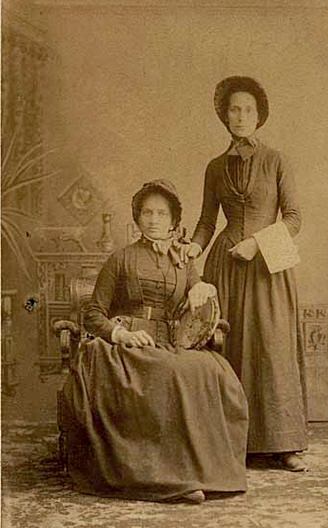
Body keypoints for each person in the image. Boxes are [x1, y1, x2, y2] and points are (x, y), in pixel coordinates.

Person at [61, 179, 249, 503]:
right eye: (147, 212)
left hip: (169, 343)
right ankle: (166, 480)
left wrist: (202, 289)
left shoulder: (184, 261)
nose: (153, 219)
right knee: (168, 373)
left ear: (174, 220)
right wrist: (122, 334)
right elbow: (94, 314)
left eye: (162, 213)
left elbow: (199, 293)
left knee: (214, 373)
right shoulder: (121, 259)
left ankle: (205, 474)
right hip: (127, 344)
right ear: (138, 218)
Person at [183, 76, 308, 471]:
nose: (241, 116)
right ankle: (232, 441)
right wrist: (195, 247)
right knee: (230, 349)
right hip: (226, 267)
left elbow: (294, 218)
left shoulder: (277, 160)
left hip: (268, 265)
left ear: (259, 116)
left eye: (248, 110)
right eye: (234, 109)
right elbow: (206, 220)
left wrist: (256, 243)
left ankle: (284, 444)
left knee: (272, 349)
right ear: (225, 115)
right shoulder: (215, 166)